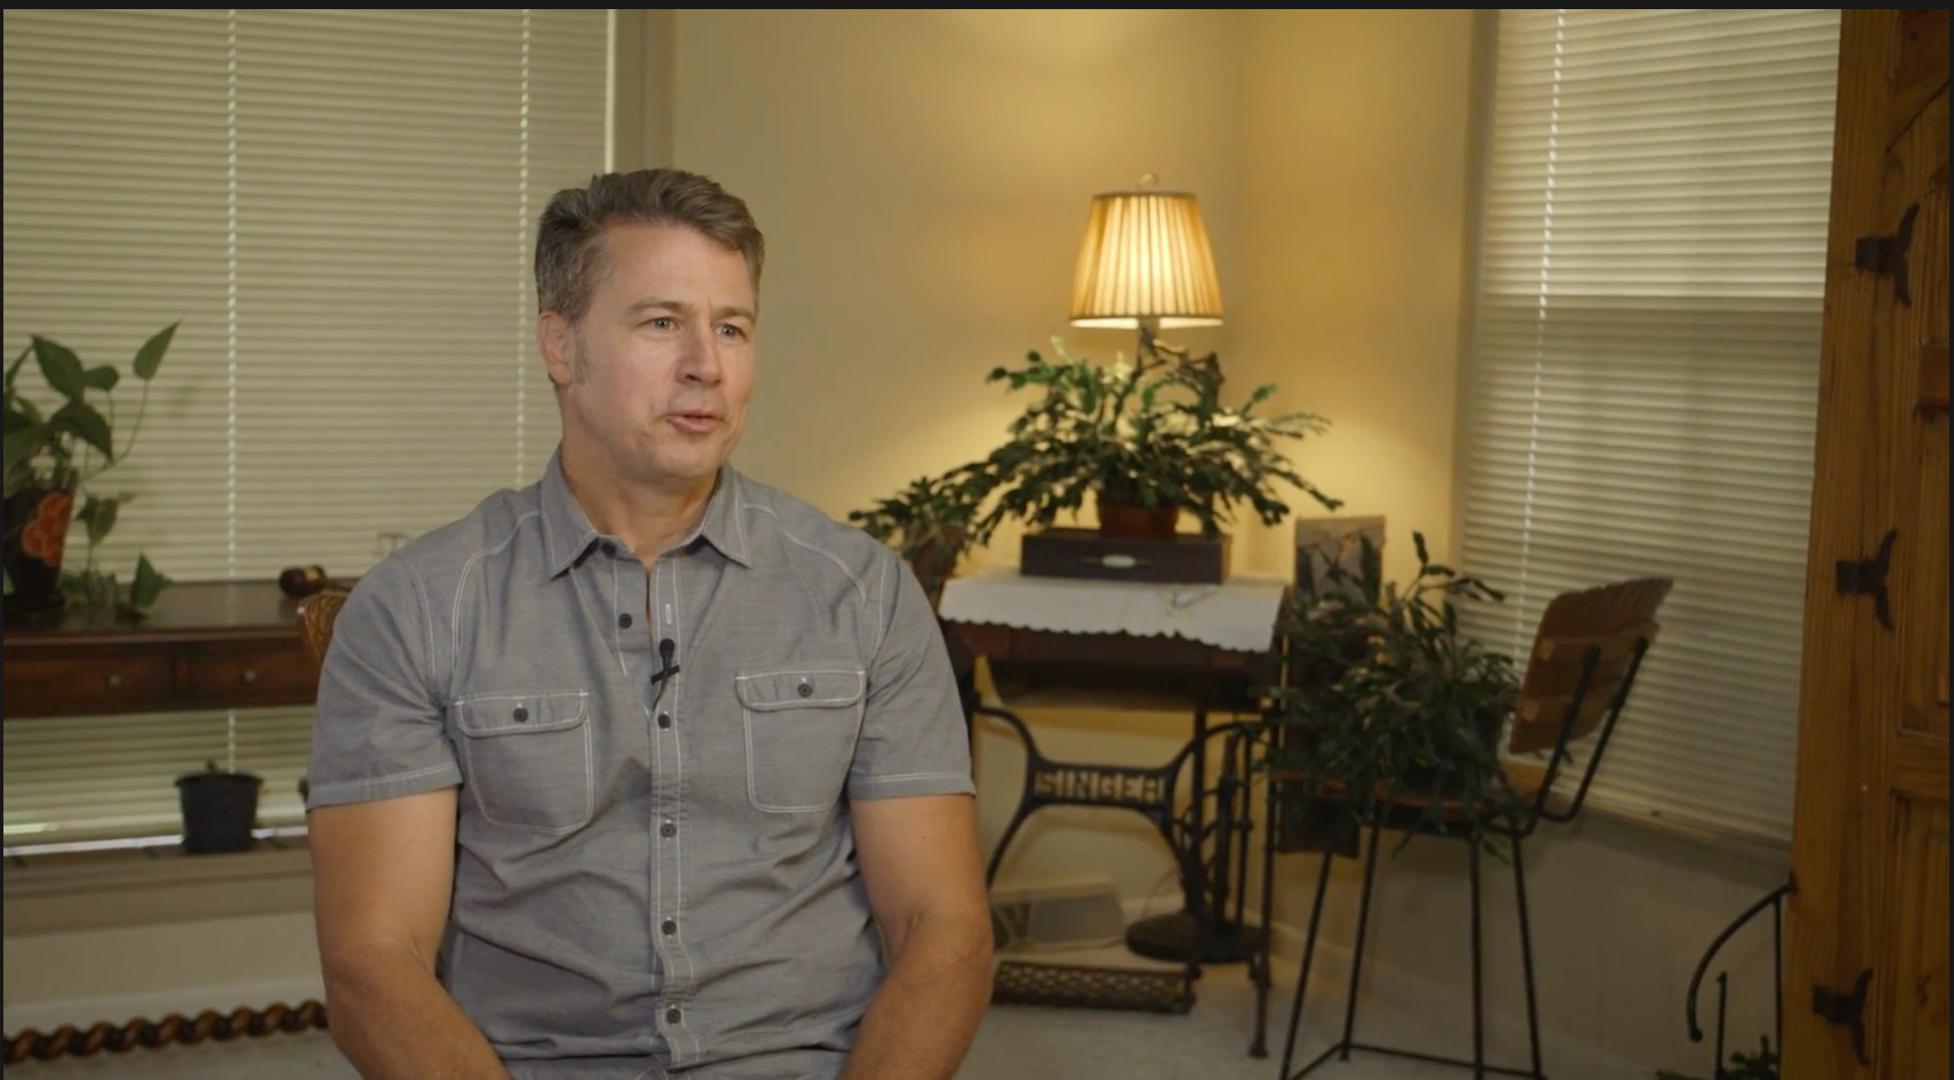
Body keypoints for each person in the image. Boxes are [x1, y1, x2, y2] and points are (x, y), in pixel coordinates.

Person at [305, 168, 992, 1080]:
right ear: (561, 345)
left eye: (732, 328)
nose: (707, 364)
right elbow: (372, 962)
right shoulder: (419, 606)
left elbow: (943, 926)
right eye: (663, 323)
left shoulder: (864, 593)